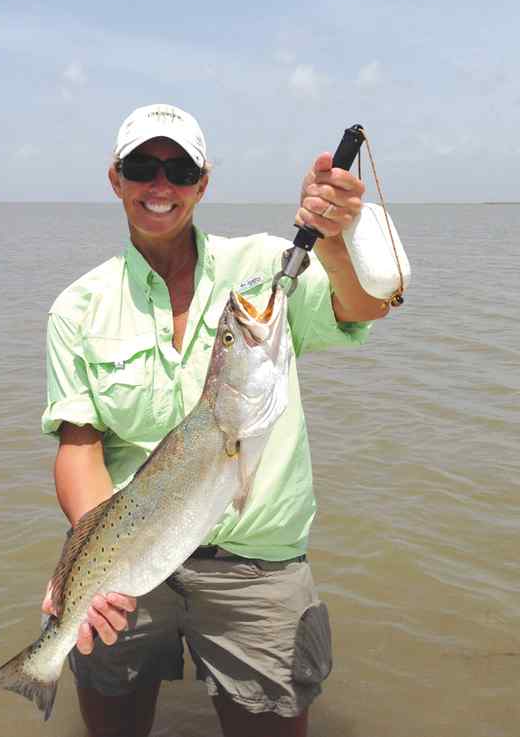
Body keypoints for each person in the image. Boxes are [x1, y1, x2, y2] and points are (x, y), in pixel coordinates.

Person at [40, 103, 387, 737]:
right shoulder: (76, 309)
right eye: (142, 166)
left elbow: (363, 305)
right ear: (116, 179)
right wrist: (90, 561)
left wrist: (335, 243)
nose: (160, 185)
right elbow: (79, 449)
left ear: (204, 183)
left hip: (258, 565)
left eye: (180, 168)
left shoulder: (264, 266)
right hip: (132, 561)